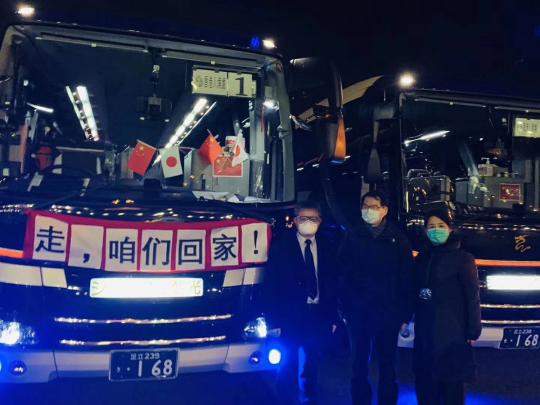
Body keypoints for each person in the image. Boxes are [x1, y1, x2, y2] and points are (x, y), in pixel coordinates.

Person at [338, 190, 414, 405]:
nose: (368, 211)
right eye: (365, 207)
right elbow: (341, 273)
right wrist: (344, 308)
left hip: (388, 315)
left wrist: (404, 315)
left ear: (385, 210)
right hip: (358, 314)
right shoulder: (353, 236)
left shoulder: (398, 240)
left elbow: (406, 280)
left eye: (373, 207)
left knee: (388, 366)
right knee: (358, 366)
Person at [265, 200, 339, 405]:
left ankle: (309, 396)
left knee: (313, 358)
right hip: (290, 314)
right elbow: (271, 285)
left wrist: (333, 316)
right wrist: (273, 321)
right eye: (304, 218)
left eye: (313, 219)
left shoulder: (327, 246)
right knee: (287, 362)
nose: (308, 222)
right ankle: (284, 399)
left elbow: (333, 282)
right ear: (296, 221)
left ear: (320, 221)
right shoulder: (282, 246)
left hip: (318, 313)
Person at [413, 210, 482, 405]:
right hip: (425, 328)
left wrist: (473, 329)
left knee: (452, 383)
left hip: (453, 330)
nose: (436, 231)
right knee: (425, 380)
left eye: (441, 226)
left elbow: (472, 296)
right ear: (425, 231)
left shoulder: (463, 258)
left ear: (450, 229)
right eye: (431, 227)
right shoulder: (422, 257)